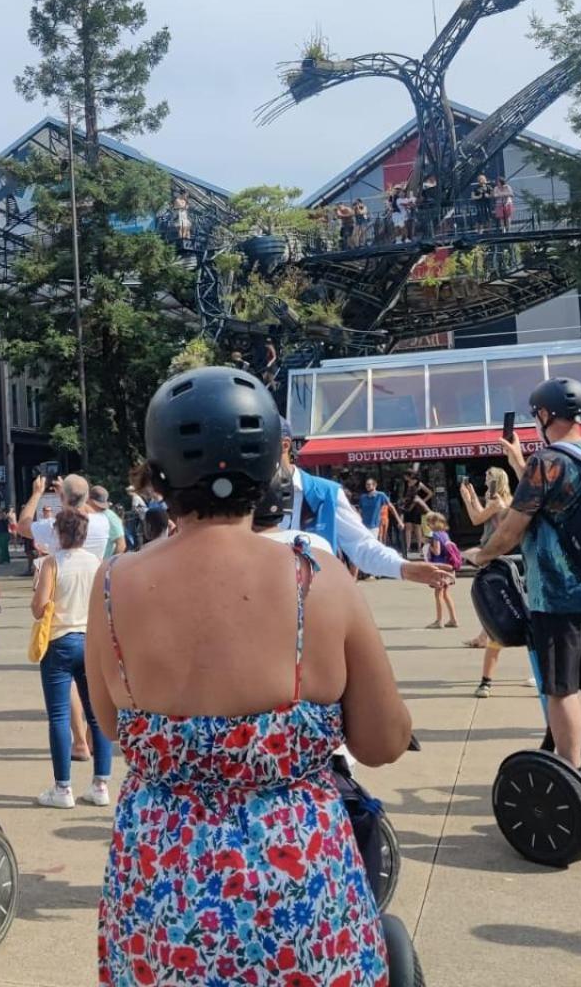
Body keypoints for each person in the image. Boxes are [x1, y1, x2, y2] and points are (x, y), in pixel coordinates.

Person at [88, 366, 411, 985]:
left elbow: (113, 724)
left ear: (158, 477)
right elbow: (382, 741)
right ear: (269, 471)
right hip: (298, 889)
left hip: (162, 890)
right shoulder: (317, 577)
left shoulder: (114, 585)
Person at [466, 378, 581, 800]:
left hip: (557, 599)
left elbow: (511, 530)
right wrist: (519, 461)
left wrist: (481, 556)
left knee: (562, 692)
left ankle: (571, 777)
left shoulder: (548, 462)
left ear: (545, 414)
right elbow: (561, 499)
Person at [279, 419, 454, 593]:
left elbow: (361, 546)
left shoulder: (325, 494)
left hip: (312, 607)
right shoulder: (252, 498)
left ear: (284, 445)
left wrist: (403, 568)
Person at [30, 507, 110, 809]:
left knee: (60, 716)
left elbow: (39, 607)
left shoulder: (52, 563)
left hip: (59, 641)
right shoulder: (97, 563)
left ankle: (62, 788)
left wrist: (38, 589)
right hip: (90, 642)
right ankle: (101, 783)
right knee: (96, 714)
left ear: (58, 533)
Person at [460, 468, 521, 695]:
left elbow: (477, 518)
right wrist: (473, 496)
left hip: (495, 556)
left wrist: (467, 499)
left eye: (488, 476)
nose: (485, 479)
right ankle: (484, 636)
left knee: (496, 608)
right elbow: (482, 514)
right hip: (500, 555)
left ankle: (486, 679)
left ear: (497, 480)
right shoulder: (502, 500)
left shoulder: (498, 500)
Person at [17, 473, 111, 560]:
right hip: (94, 575)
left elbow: (22, 527)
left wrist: (37, 493)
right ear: (87, 497)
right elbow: (81, 506)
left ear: (62, 496)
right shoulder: (103, 522)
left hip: (62, 575)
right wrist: (65, 494)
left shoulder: (56, 526)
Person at [421, 512, 461, 628]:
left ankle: (438, 621)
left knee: (438, 594)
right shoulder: (444, 534)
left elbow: (437, 551)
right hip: (449, 567)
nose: (428, 525)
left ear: (433, 523)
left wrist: (428, 545)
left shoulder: (435, 536)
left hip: (440, 567)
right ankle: (453, 619)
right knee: (446, 594)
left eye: (429, 523)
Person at [399, 471, 434, 552]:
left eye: (406, 476)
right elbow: (404, 495)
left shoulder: (419, 483)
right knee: (408, 527)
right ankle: (408, 547)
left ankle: (419, 546)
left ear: (410, 476)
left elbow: (430, 493)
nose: (405, 478)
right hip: (408, 506)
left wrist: (423, 501)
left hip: (416, 507)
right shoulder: (405, 484)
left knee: (417, 526)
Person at [88, 486, 126, 558]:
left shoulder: (110, 517)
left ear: (91, 501)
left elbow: (121, 545)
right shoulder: (94, 514)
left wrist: (108, 564)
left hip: (103, 565)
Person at [356, 477, 391, 541]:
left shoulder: (380, 495)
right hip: (363, 525)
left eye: (369, 484)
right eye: (366, 484)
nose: (367, 486)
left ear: (375, 485)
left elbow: (391, 507)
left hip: (374, 526)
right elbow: (360, 511)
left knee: (372, 542)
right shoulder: (363, 497)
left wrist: (399, 521)